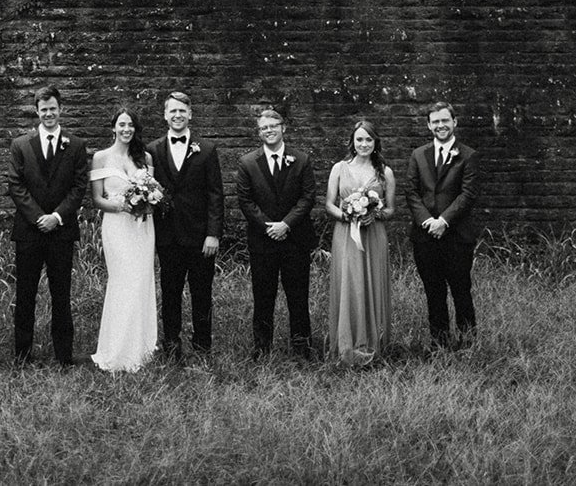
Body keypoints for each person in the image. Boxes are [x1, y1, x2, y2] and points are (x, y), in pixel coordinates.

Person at [8, 86, 90, 366]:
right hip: (29, 231)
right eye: (43, 109)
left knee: (61, 294)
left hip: (61, 231)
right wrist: (37, 217)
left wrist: (56, 216)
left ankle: (64, 356)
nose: (49, 113)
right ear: (37, 111)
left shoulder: (76, 145)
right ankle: (22, 355)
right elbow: (15, 185)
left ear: (60, 109)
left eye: (53, 108)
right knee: (25, 294)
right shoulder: (21, 145)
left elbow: (79, 187)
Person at [234, 104, 317, 359]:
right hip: (263, 241)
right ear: (259, 133)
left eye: (273, 126)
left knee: (298, 297)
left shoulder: (301, 159)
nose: (269, 131)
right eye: (264, 128)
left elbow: (308, 197)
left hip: (295, 240)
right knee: (263, 297)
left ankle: (303, 349)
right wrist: (269, 227)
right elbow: (246, 202)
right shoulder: (247, 163)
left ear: (283, 128)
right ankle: (262, 350)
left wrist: (286, 224)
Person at [147, 90, 224, 359]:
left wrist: (213, 234)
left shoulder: (207, 149)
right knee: (170, 292)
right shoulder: (152, 150)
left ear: (190, 114)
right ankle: (171, 346)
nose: (177, 115)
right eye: (173, 111)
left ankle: (202, 346)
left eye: (183, 110)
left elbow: (215, 195)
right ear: (165, 115)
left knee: (201, 293)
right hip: (167, 236)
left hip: (200, 237)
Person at [88, 106, 159, 371]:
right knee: (122, 281)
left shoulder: (146, 158)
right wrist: (122, 206)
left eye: (130, 125)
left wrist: (149, 199)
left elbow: (154, 192)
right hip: (117, 226)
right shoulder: (100, 158)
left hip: (142, 228)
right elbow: (97, 199)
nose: (126, 129)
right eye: (121, 125)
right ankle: (115, 348)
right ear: (113, 128)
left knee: (141, 281)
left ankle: (141, 347)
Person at [406, 100, 481, 350]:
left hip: (457, 236)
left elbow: (468, 195)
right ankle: (439, 345)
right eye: (436, 121)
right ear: (429, 125)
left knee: (461, 291)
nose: (441, 125)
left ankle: (468, 344)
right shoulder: (418, 154)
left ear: (454, 122)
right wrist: (428, 221)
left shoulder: (468, 155)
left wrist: (444, 221)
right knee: (434, 293)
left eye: (445, 121)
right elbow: (412, 192)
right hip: (425, 236)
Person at [325, 118, 396, 366]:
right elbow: (329, 205)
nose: (364, 144)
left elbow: (390, 210)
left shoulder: (384, 172)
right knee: (350, 284)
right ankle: (347, 346)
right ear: (352, 142)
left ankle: (375, 345)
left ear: (375, 143)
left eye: (369, 139)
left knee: (372, 284)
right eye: (359, 139)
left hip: (373, 235)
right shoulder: (339, 168)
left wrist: (373, 212)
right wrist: (349, 214)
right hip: (346, 235)